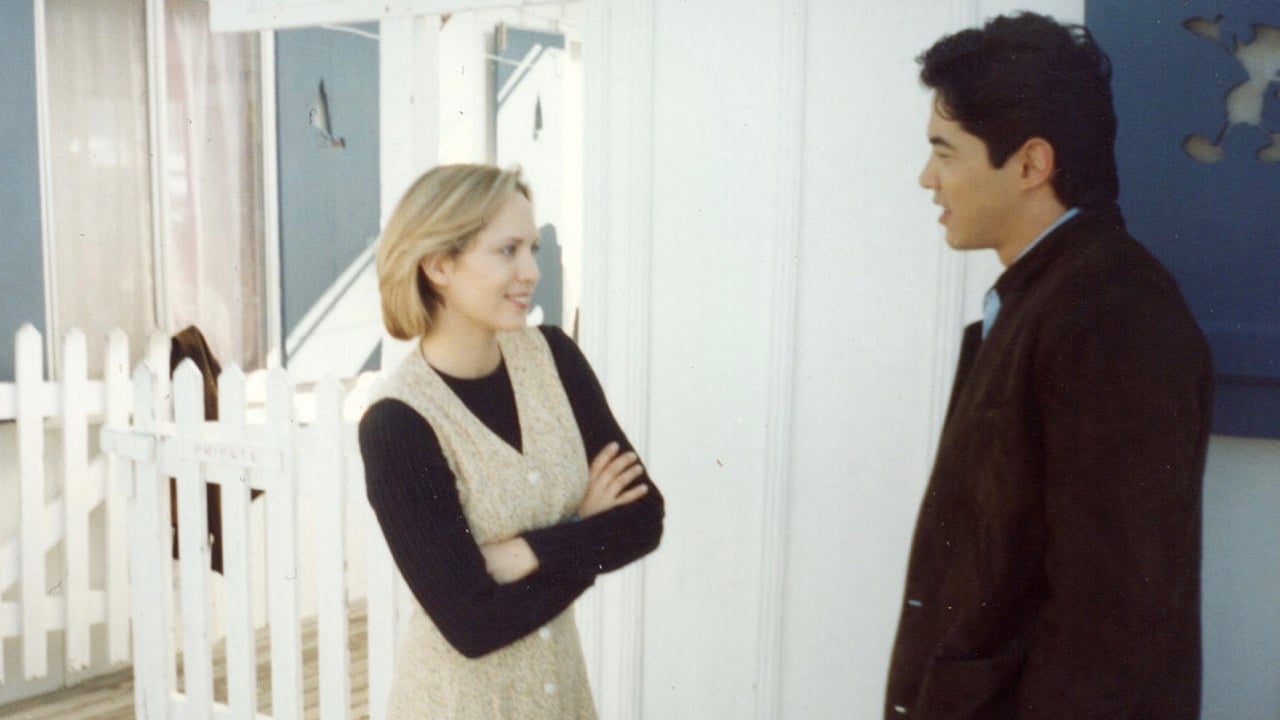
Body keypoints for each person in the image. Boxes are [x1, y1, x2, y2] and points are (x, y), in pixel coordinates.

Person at [886, 13, 1213, 720]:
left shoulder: (1112, 314)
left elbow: (1113, 622)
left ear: (1032, 165)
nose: (927, 179)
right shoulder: (1051, 299)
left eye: (946, 153)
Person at [358, 164, 664, 719]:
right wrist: (585, 529)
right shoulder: (398, 423)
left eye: (532, 249)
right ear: (439, 265)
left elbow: (643, 519)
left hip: (563, 700)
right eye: (507, 251)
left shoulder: (555, 358)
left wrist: (523, 554)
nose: (532, 271)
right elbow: (473, 623)